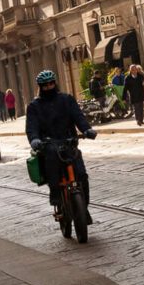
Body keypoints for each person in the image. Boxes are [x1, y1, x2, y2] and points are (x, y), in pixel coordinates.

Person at [25, 70, 97, 217]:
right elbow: (31, 126)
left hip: (68, 141)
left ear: (55, 83)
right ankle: (55, 194)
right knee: (51, 160)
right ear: (40, 87)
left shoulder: (66, 99)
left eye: (51, 83)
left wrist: (87, 130)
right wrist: (34, 140)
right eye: (45, 85)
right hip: (49, 144)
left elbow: (79, 117)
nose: (49, 87)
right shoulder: (34, 106)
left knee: (82, 175)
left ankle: (84, 208)